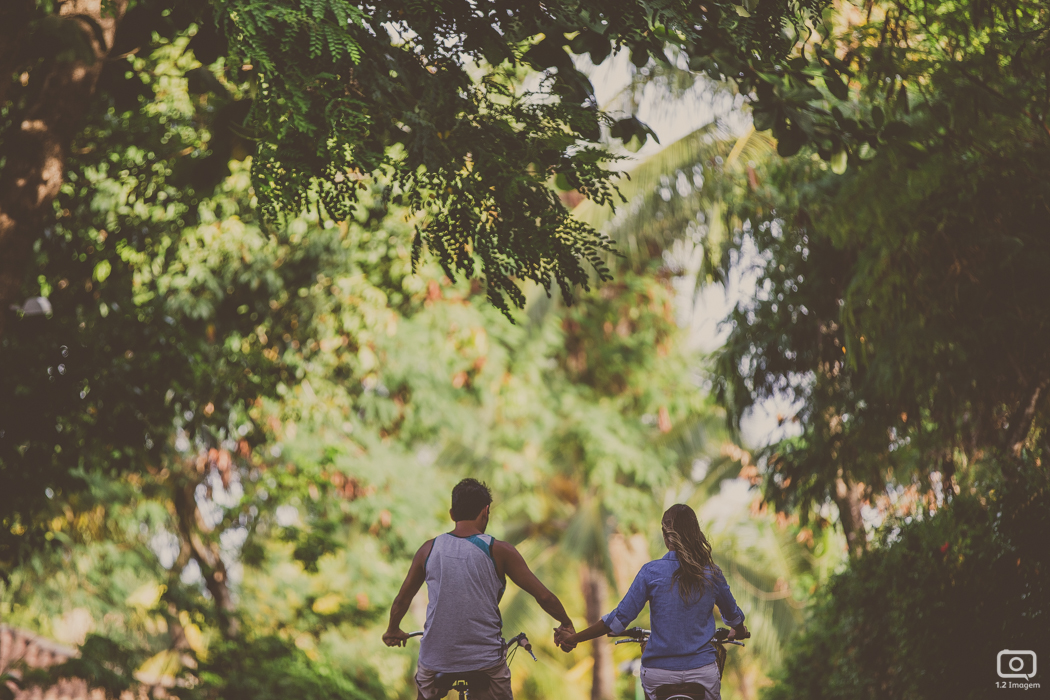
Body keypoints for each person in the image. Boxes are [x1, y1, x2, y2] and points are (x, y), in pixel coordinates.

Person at [384, 478, 576, 700]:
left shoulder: (429, 549)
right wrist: (566, 623)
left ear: (452, 514)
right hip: (486, 661)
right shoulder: (499, 550)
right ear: (486, 511)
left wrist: (393, 629)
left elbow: (401, 600)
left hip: (436, 659)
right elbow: (543, 596)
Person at [554, 504, 749, 700]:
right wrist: (739, 631)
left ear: (666, 537)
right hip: (702, 673)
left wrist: (574, 638)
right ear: (696, 533)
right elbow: (733, 616)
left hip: (659, 675)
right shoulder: (711, 573)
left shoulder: (650, 572)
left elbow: (617, 619)